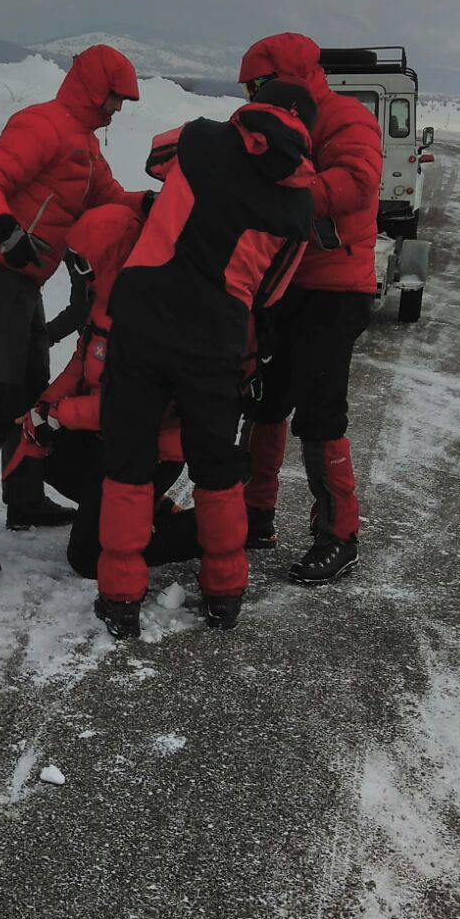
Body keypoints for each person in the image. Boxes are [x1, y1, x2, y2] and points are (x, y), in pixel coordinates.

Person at [94, 82, 320, 638]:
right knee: (216, 466)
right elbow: (270, 293)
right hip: (214, 343)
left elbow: (153, 160)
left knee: (128, 456)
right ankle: (225, 591)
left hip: (142, 319)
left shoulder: (199, 139)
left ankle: (120, 597)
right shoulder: (298, 207)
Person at [0, 45, 154, 575]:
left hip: (23, 284)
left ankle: (23, 499)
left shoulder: (85, 149)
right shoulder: (42, 125)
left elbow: (109, 199)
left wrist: (154, 204)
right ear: (96, 89)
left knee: (29, 391)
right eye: (116, 97)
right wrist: (5, 232)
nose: (118, 109)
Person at [236, 34, 383, 584]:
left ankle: (339, 535)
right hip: (281, 285)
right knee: (265, 404)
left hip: (336, 289)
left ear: (284, 78)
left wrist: (291, 195)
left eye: (258, 83)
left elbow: (358, 180)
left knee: (320, 414)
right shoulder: (264, 120)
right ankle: (255, 515)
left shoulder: (345, 118)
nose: (252, 94)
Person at [2, 203, 199, 579]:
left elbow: (127, 407)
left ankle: (213, 528)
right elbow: (80, 364)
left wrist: (57, 414)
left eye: (84, 263)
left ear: (113, 256)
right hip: (108, 440)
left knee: (89, 558)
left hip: (150, 448)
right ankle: (137, 513)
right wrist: (41, 409)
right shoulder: (105, 303)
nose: (79, 272)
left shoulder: (154, 317)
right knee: (49, 453)